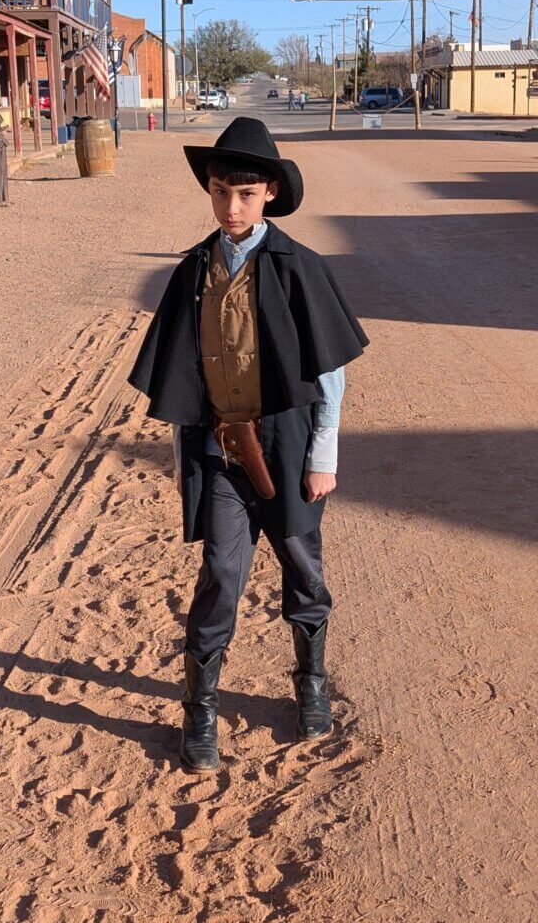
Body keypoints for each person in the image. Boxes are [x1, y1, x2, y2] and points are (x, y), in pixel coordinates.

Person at [127, 117, 369, 773]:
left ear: (269, 193)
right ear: (209, 190)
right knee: (221, 575)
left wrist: (323, 455)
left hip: (286, 446)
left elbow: (329, 375)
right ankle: (200, 707)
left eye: (246, 194)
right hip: (219, 451)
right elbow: (181, 377)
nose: (231, 207)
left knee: (302, 565)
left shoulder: (298, 267)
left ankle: (310, 683)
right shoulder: (192, 272)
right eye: (220, 192)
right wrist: (185, 458)